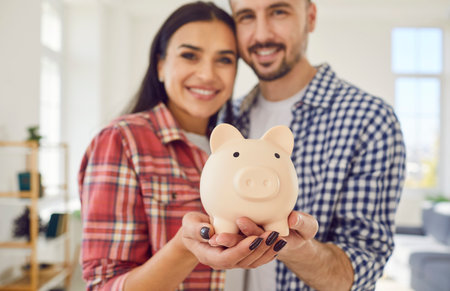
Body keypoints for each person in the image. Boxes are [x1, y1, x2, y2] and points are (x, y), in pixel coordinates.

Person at [78, 2, 287, 290]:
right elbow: (105, 285)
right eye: (190, 56)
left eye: (224, 60)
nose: (207, 74)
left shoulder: (245, 143)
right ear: (161, 65)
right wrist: (185, 248)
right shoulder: (122, 140)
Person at [216, 0, 407, 290]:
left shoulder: (369, 119)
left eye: (278, 11)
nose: (262, 34)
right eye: (246, 16)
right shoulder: (225, 116)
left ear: (311, 17)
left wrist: (295, 247)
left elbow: (364, 265)